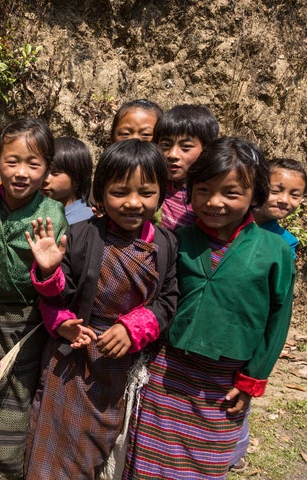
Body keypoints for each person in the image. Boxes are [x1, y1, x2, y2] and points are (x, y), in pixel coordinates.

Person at [124, 137, 295, 479]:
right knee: (145, 460)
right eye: (203, 190)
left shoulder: (275, 250)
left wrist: (252, 379)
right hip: (166, 373)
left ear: (254, 195)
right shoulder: (177, 240)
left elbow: (278, 320)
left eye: (231, 193)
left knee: (204, 463)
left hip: (224, 382)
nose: (214, 203)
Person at [24, 139, 178, 479]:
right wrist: (53, 285)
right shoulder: (82, 235)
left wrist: (133, 327)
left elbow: (168, 300)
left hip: (125, 364)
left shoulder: (165, 244)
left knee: (106, 451)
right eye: (120, 192)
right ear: (101, 191)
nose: (133, 203)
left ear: (161, 194)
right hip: (73, 361)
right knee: (56, 449)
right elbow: (55, 299)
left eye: (146, 193)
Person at [0, 117, 68, 479]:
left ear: (47, 170)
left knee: (12, 404)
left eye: (33, 164)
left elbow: (58, 286)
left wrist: (46, 270)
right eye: (12, 162)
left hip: (25, 327)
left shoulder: (52, 214)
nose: (21, 173)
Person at [229, 157, 307, 471]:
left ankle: (235, 454)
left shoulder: (285, 243)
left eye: (295, 194)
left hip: (249, 331)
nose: (284, 200)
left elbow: (277, 304)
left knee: (237, 402)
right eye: (277, 189)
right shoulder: (227, 223)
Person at [153, 104, 219, 230]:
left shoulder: (210, 193)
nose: (172, 155)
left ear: (206, 149)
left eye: (186, 147)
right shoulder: (152, 184)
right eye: (165, 145)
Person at [41, 136, 94, 224]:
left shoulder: (88, 221)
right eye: (43, 171)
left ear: (77, 178)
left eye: (55, 173)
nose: (45, 179)